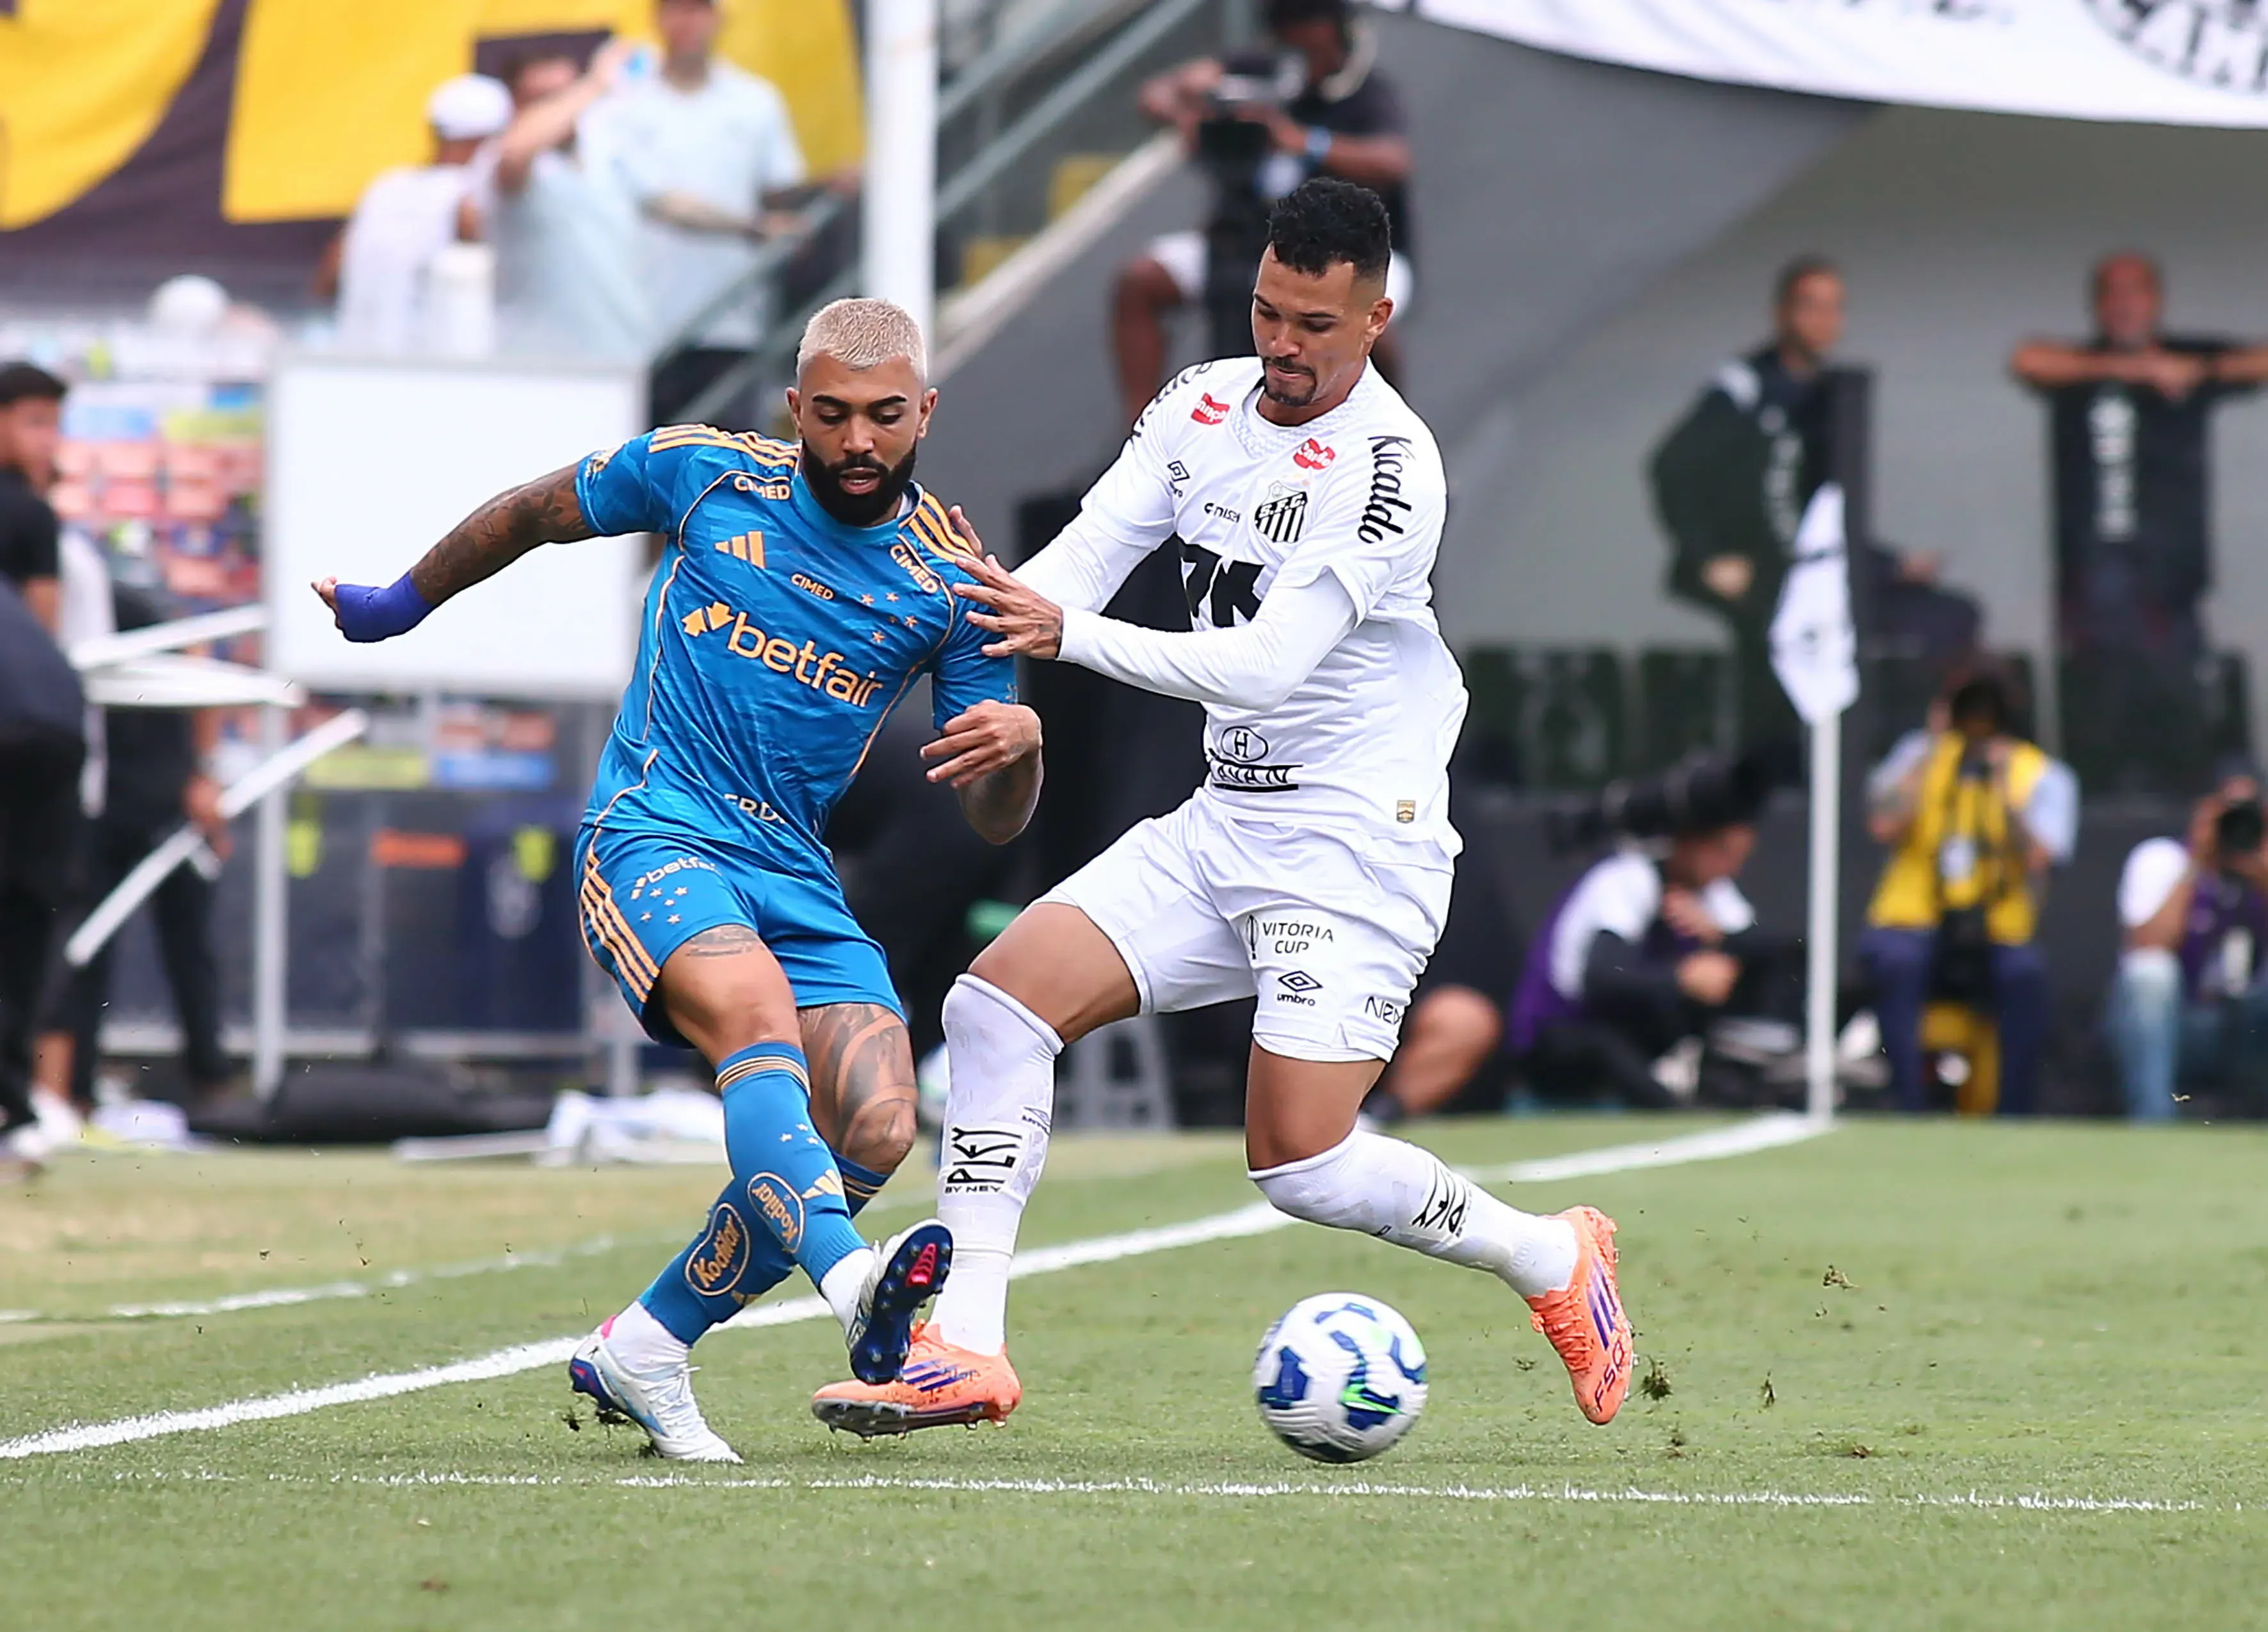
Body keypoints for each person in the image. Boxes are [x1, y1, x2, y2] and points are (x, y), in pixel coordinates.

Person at [811, 179, 1635, 1439]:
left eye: (1315, 321)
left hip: (1354, 842)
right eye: (1266, 310)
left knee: (1299, 1160)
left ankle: (1549, 1254)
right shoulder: (1196, 402)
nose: (1284, 345)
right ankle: (963, 1346)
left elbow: (1260, 664)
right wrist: (934, 608)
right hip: (1227, 817)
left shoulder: (1390, 469)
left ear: (1374, 316)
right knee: (991, 1006)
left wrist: (1065, 634)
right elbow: (1071, 566)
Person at [312, 297, 1043, 1460]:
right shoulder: (703, 474)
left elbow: (991, 815)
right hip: (655, 831)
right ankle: (860, 1295)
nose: (859, 441)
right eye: (836, 414)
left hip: (792, 873)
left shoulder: (953, 587)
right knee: (756, 1024)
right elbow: (530, 512)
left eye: (886, 417)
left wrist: (1024, 752)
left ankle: (647, 1343)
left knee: (879, 1120)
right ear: (795, 406)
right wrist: (399, 602)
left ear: (925, 413)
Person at [2011, 254, 2268, 788]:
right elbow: (2027, 359)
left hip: (2169, 587)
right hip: (2089, 587)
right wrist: (2132, 370)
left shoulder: (2188, 359)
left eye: (2136, 292)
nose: (2125, 305)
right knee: (2098, 719)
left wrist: (2196, 371)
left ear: (2156, 301)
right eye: (2113, 293)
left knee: (2182, 713)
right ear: (2097, 304)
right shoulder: (2080, 367)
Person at [1116, 0, 1414, 426]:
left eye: (1305, 25)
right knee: (1141, 280)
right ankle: (1142, 431)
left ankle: (1388, 432)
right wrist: (1189, 108)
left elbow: (1393, 162)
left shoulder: (1365, 91)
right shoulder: (1259, 69)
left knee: (1365, 322)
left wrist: (1300, 140)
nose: (1295, 39)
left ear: (1334, 29)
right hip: (1247, 243)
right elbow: (1157, 94)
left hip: (1355, 258)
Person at [45, 579, 236, 1116]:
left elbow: (196, 661)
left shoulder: (119, 600)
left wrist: (203, 773)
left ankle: (211, 1080)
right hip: (103, 802)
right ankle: (75, 1088)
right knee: (88, 948)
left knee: (188, 947)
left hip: (162, 797)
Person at [1860, 660, 2077, 1115]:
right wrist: (1929, 752)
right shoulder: (1918, 756)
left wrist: (2000, 788)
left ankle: (2013, 1113)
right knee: (1894, 961)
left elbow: (2042, 858)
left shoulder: (2039, 773)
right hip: (1914, 919)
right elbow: (1882, 824)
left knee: (2024, 975)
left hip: (1997, 927)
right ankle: (1907, 1107)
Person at [599, 0, 809, 421]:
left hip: (733, 319)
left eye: (697, 8)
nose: (687, 20)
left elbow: (780, 191)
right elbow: (660, 201)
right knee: (649, 474)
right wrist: (753, 227)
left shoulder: (756, 100)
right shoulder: (623, 103)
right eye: (676, 8)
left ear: (717, 17)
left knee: (730, 469)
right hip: (644, 324)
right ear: (657, 18)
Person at [1508, 785, 1778, 1111]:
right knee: (1605, 1044)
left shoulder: (1712, 891)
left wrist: (1718, 937)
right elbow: (1600, 978)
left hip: (1635, 1034)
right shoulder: (1628, 877)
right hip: (1560, 1033)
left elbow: (1767, 951)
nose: (1731, 868)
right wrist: (1682, 978)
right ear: (1689, 842)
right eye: (1723, 853)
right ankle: (1679, 1115)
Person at [2108, 768, 2268, 1122]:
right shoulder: (2164, 859)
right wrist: (2198, 862)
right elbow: (2147, 944)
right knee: (2151, 974)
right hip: (2181, 1024)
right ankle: (2154, 1122)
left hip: (2247, 1030)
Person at [319, 75, 513, 355]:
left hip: (356, 362)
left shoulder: (386, 186)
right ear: (486, 139)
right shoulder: (469, 196)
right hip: (426, 373)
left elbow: (328, 279)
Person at [489, 44, 650, 362]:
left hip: (618, 356)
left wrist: (750, 225)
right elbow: (515, 152)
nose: (563, 109)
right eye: (544, 99)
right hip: (534, 361)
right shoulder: (501, 159)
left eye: (563, 95)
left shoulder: (605, 152)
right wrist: (594, 84)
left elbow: (668, 201)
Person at [0, 362, 67, 634]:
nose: (48, 440)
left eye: (54, 425)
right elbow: (42, 633)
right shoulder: (31, 513)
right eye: (35, 422)